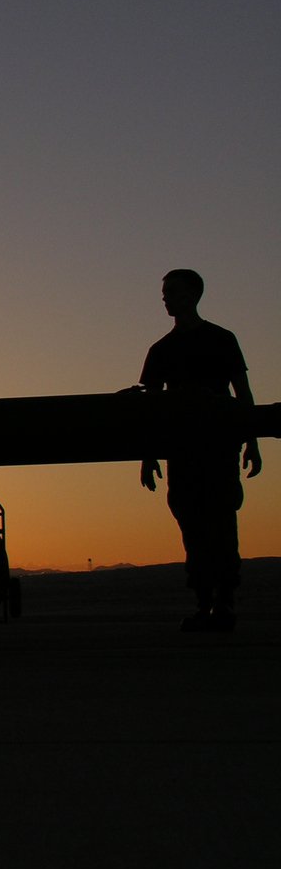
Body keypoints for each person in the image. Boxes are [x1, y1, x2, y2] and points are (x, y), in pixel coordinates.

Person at [139, 269, 262, 630]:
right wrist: (148, 456)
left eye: (172, 292)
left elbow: (243, 394)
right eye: (164, 292)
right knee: (192, 527)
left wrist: (251, 441)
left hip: (219, 448)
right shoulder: (160, 350)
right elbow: (150, 408)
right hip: (181, 451)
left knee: (222, 524)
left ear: (193, 294)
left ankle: (223, 603)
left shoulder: (222, 340)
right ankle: (205, 602)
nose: (165, 298)